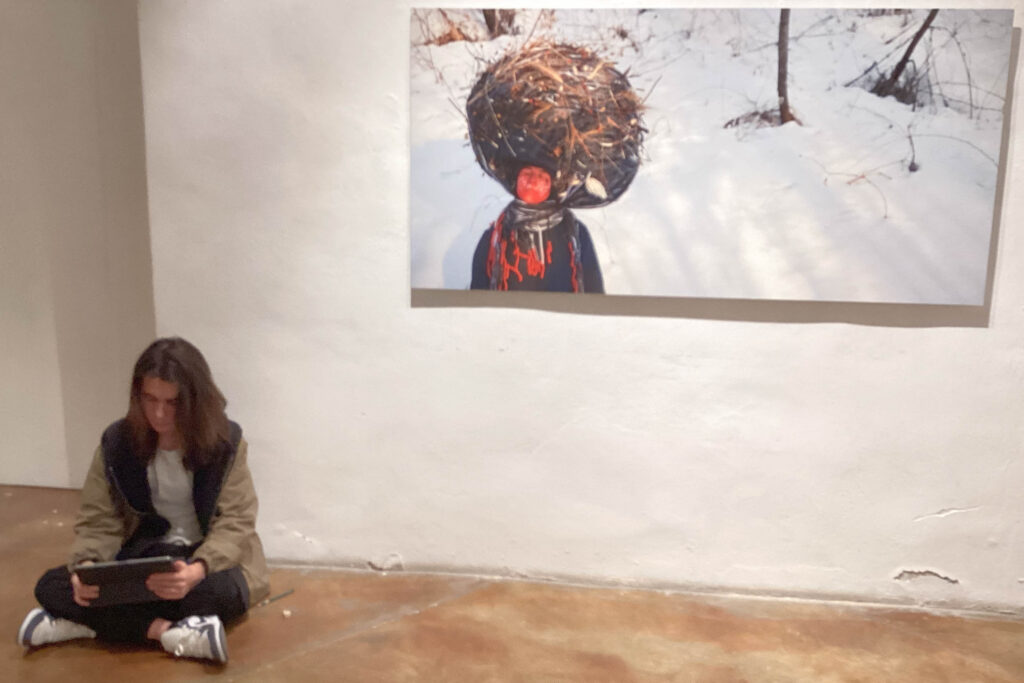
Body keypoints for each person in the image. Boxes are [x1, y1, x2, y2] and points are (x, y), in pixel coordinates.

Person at [17, 337, 269, 664]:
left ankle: (85, 623)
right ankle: (169, 632)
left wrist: (196, 571)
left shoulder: (226, 443)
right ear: (138, 395)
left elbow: (236, 522)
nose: (159, 413)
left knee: (222, 594)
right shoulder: (117, 443)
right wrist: (87, 568)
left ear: (194, 401)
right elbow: (98, 520)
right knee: (52, 585)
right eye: (150, 399)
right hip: (145, 556)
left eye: (172, 402)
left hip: (204, 562)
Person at [470, 165, 605, 293]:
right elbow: (478, 299)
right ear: (516, 179)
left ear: (552, 183)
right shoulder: (495, 236)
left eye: (541, 174)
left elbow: (594, 295)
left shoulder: (576, 233)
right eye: (527, 172)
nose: (533, 180)